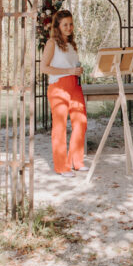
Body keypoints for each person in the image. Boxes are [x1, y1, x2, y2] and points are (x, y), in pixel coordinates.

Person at [40, 9, 88, 177]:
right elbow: (43, 68)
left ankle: (77, 161)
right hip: (59, 87)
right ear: (58, 26)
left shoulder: (71, 44)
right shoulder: (52, 43)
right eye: (65, 25)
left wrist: (77, 70)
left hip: (75, 86)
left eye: (71, 24)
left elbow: (73, 66)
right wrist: (69, 70)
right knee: (59, 127)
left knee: (81, 122)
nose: (69, 27)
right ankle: (62, 167)